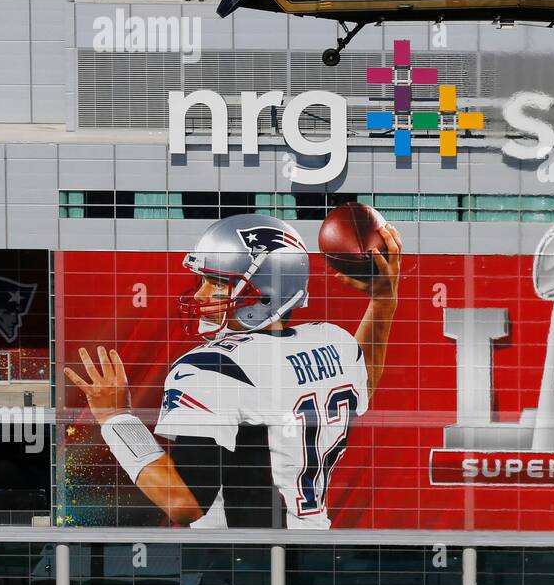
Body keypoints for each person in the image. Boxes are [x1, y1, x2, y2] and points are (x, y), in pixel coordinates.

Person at [66, 212, 402, 529]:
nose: (200, 295)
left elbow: (184, 503)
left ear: (264, 293)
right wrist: (384, 301)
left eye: (216, 283)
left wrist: (116, 418)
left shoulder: (212, 368)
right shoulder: (333, 342)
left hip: (240, 566)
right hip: (316, 556)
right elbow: (364, 381)